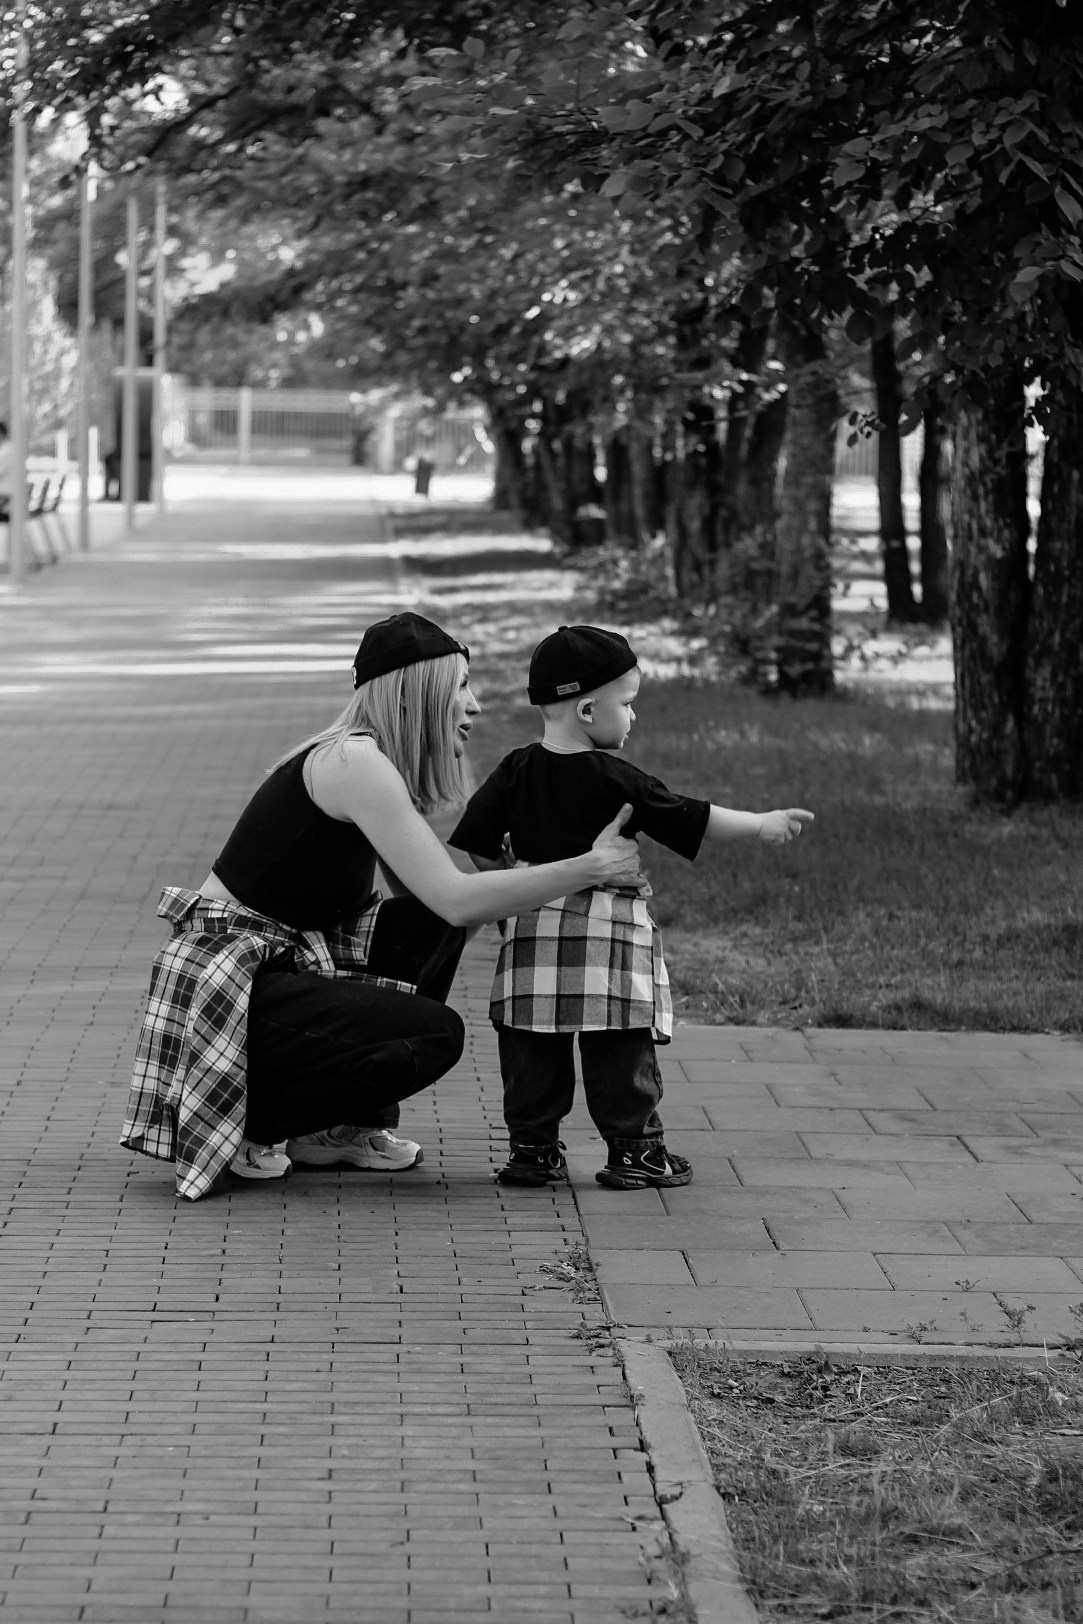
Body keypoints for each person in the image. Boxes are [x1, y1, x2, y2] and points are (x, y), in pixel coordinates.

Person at [121, 612, 643, 1201]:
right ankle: (254, 1121)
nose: (474, 705)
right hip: (233, 991)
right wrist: (587, 867)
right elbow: (456, 899)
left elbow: (439, 909)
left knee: (431, 927)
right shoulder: (353, 763)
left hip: (276, 975)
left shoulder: (370, 762)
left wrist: (513, 877)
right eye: (460, 687)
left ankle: (338, 1129)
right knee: (433, 1035)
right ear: (416, 695)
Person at [448, 624, 814, 1191]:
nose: (633, 715)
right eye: (626, 703)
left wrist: (508, 888)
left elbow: (476, 841)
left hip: (533, 934)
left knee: (530, 1049)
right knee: (619, 1045)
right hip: (608, 939)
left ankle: (532, 1150)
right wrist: (761, 824)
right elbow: (693, 816)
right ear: (588, 710)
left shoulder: (514, 769)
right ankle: (635, 1151)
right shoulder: (619, 779)